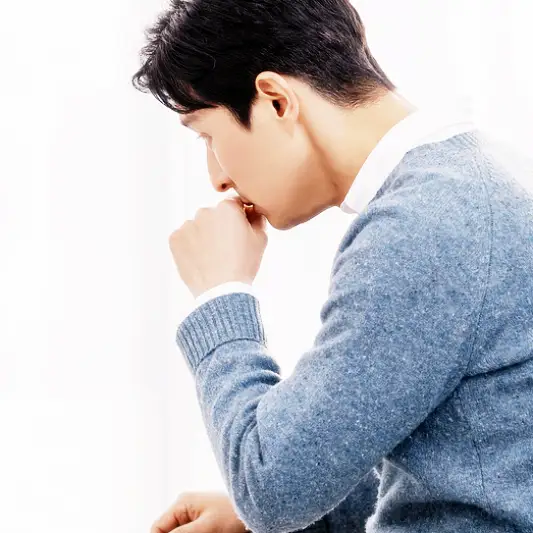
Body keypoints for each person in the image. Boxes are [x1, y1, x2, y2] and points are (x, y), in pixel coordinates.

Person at [132, 1, 533, 532]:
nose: (217, 179)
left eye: (207, 135)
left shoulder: (424, 224)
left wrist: (220, 295)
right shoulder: (473, 177)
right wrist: (260, 517)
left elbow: (272, 490)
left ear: (276, 101)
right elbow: (453, 459)